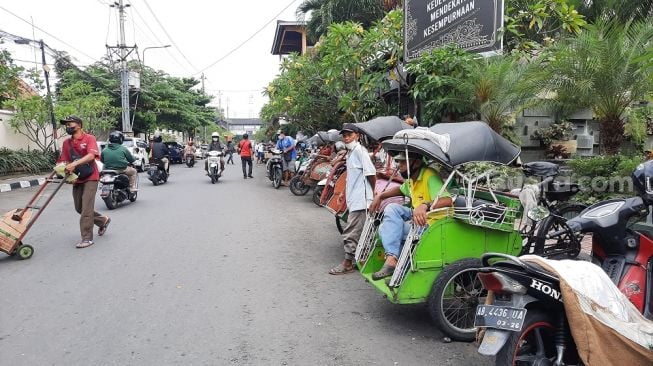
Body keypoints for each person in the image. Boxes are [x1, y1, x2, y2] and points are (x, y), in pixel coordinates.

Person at [368, 151, 452, 280]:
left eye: (403, 162)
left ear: (416, 163)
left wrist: (425, 205)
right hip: (417, 217)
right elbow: (401, 189)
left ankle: (396, 265)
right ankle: (392, 259)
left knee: (384, 229)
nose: (399, 165)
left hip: (433, 223)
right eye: (399, 162)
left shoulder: (430, 176)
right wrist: (380, 196)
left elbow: (447, 200)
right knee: (391, 208)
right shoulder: (412, 178)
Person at [329, 123, 377, 275]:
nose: (347, 138)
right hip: (354, 197)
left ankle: (348, 263)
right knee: (360, 231)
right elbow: (352, 176)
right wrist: (344, 191)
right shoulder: (351, 152)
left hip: (361, 199)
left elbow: (370, 173)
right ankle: (360, 260)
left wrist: (374, 193)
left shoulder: (360, 151)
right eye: (344, 135)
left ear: (357, 135)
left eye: (349, 135)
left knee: (351, 232)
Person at [56, 115, 111, 249]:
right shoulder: (66, 143)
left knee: (86, 208)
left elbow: (91, 156)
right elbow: (64, 160)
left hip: (91, 176)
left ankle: (86, 238)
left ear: (79, 125)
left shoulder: (89, 138)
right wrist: (63, 171)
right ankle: (102, 220)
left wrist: (74, 163)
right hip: (77, 178)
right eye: (66, 125)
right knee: (79, 208)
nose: (68, 127)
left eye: (71, 124)